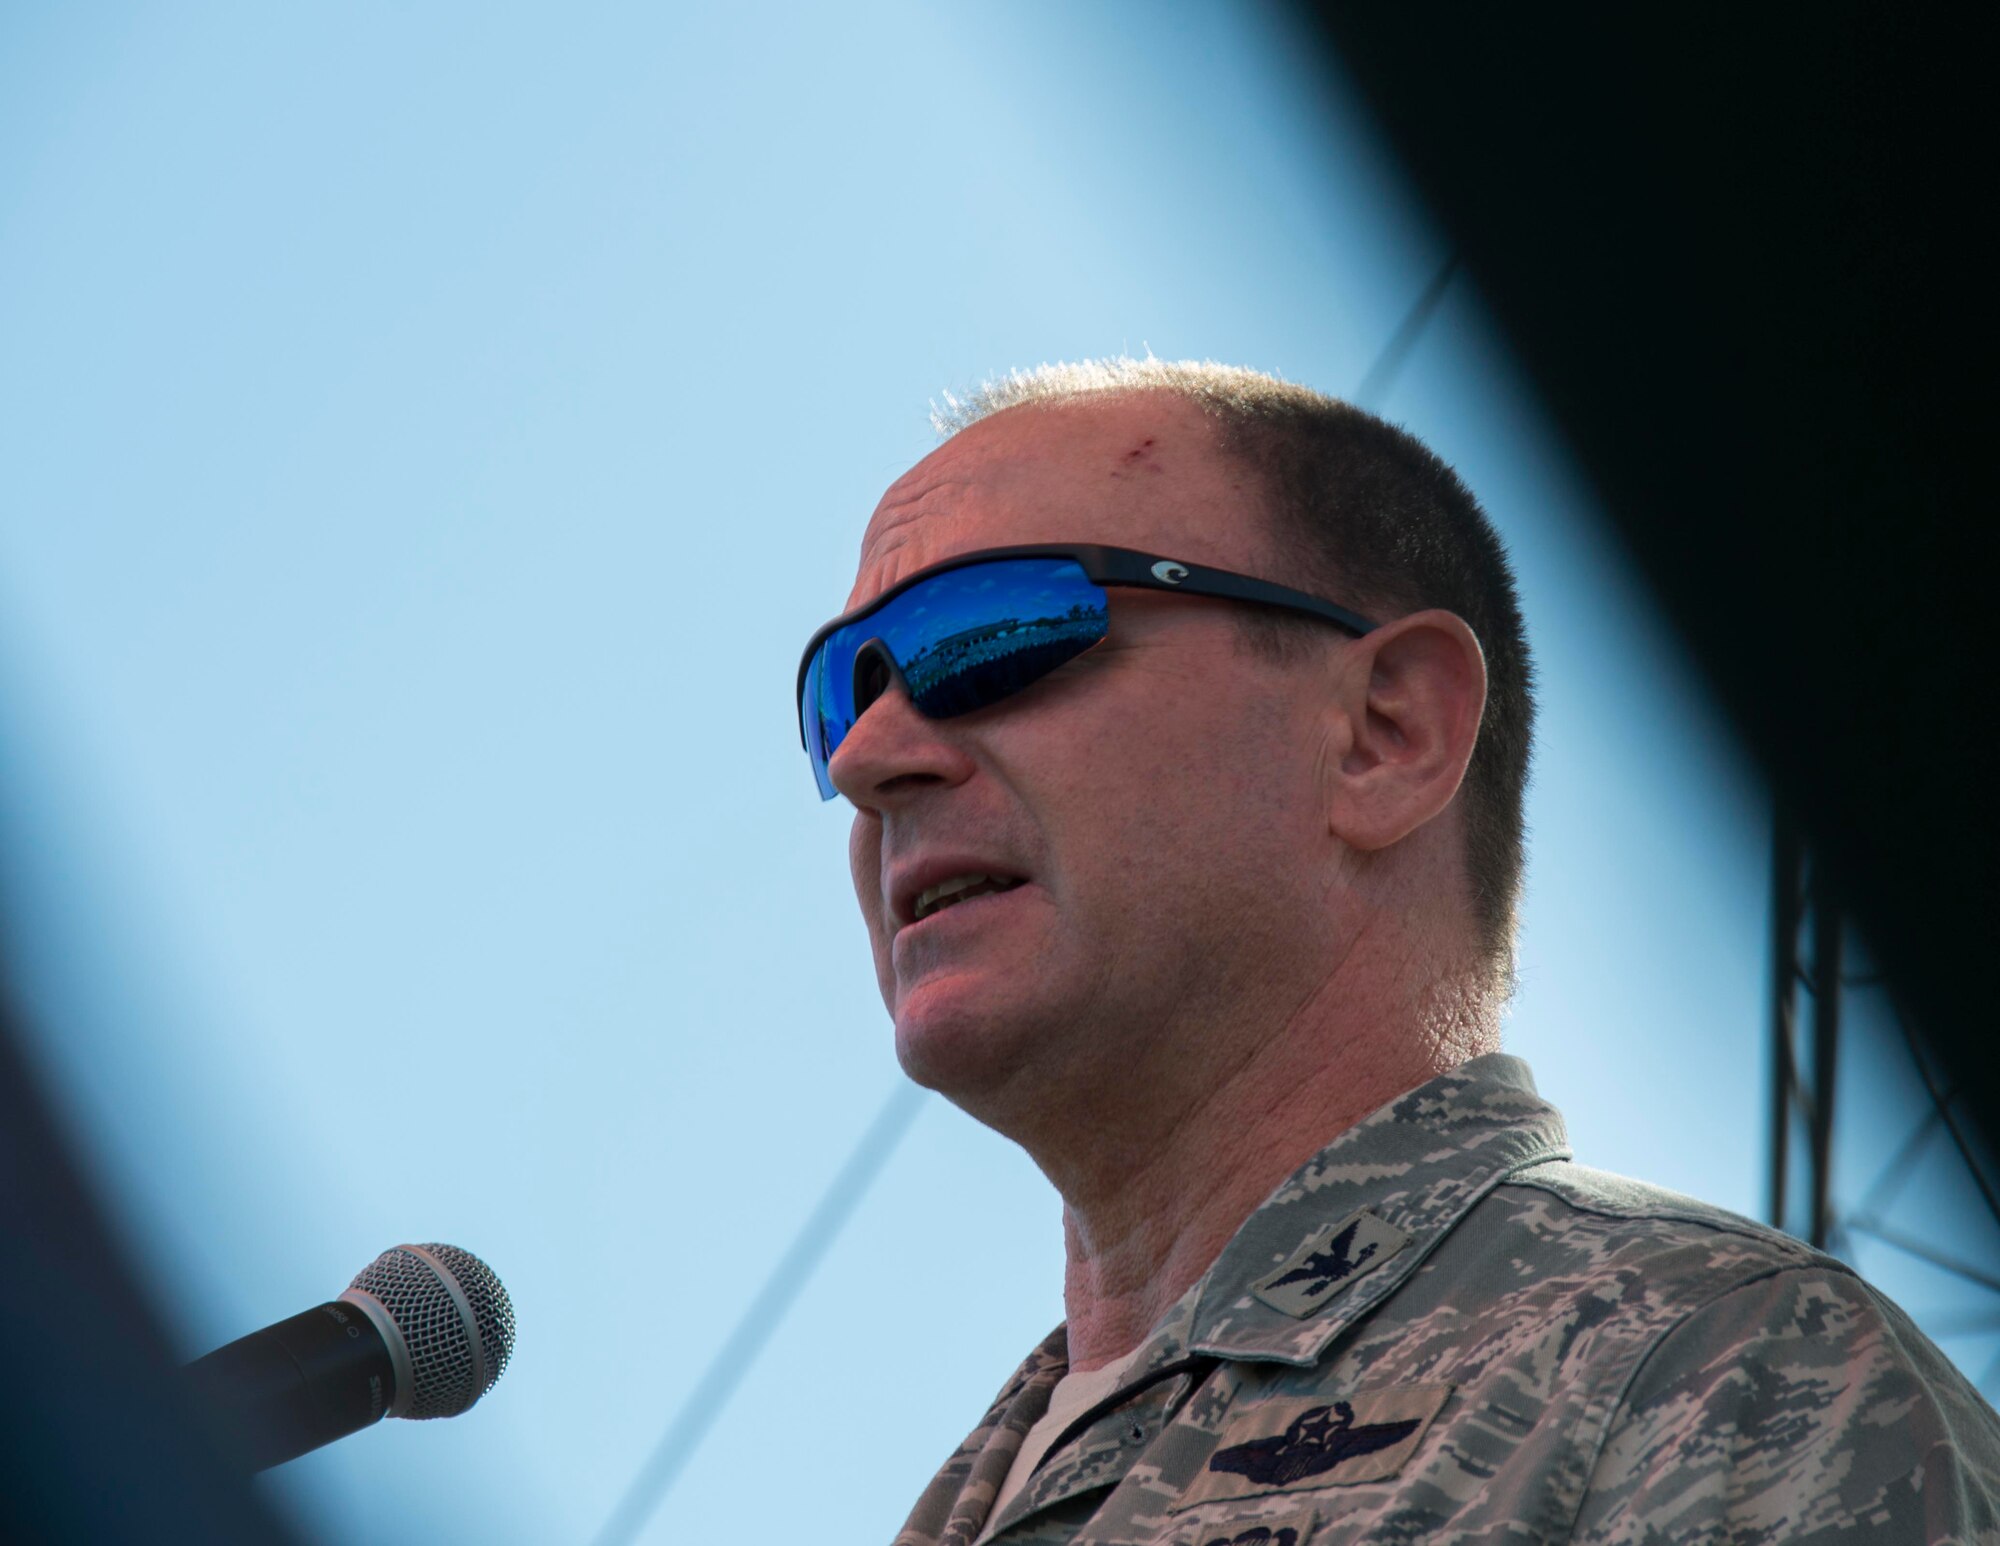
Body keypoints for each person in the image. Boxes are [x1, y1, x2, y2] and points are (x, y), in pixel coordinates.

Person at [793, 359, 2000, 1544]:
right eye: (841, 696)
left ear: (1385, 733)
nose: (865, 760)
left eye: (986, 634)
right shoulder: (966, 1501)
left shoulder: (1714, 1373)